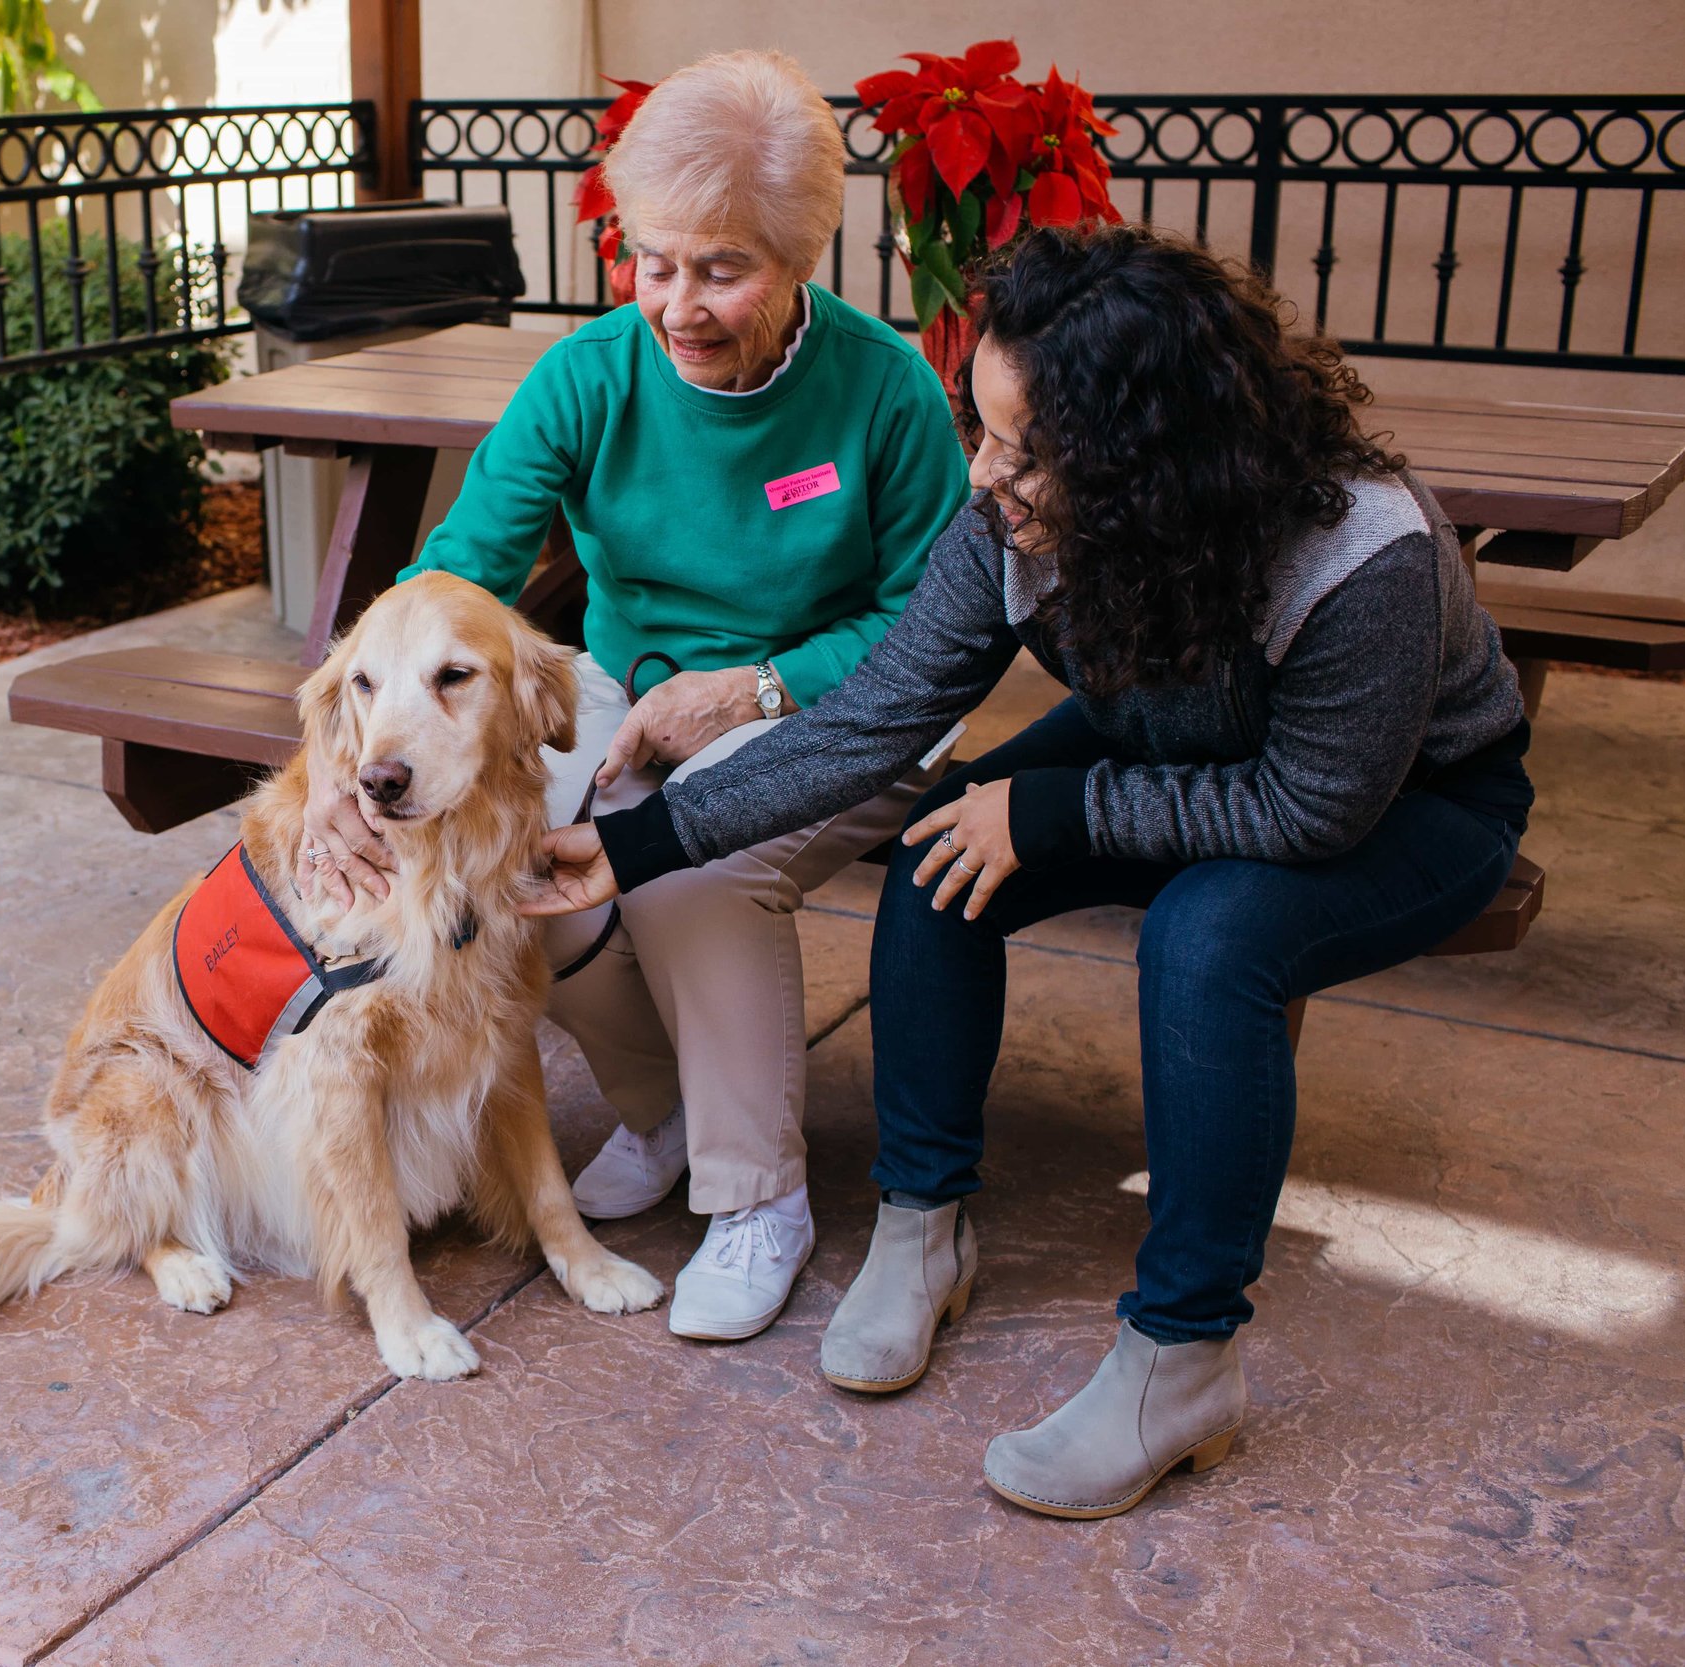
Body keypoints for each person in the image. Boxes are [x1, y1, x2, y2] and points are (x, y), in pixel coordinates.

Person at [524, 224, 1533, 1517]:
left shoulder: (1358, 553)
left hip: (1412, 799)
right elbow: (872, 722)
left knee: (1209, 939)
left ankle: (1183, 1357)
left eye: (1029, 451)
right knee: (946, 848)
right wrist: (625, 848)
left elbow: (1308, 807)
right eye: (980, 425)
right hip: (1173, 726)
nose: (987, 475)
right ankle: (922, 1224)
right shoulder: (1017, 515)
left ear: (1149, 467)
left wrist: (1055, 815)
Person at [297, 49, 971, 1342]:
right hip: (626, 688)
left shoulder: (884, 391)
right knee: (507, 850)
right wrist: (347, 750)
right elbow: (451, 576)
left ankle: (757, 1192)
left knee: (687, 861)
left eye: (722, 270)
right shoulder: (590, 373)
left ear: (800, 260)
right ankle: (663, 1113)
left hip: (841, 704)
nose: (678, 305)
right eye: (654, 262)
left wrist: (754, 689)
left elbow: (930, 633)